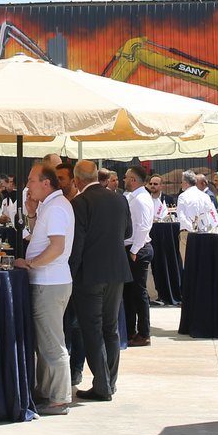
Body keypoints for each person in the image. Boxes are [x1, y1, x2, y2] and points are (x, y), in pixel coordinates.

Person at [66, 159, 131, 401]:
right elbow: (128, 232)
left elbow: (77, 242)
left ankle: (102, 385)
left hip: (89, 274)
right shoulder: (118, 198)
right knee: (110, 328)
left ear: (77, 180)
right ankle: (109, 382)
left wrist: (69, 274)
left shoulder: (80, 202)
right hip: (116, 270)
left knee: (91, 329)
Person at [15, 162, 74, 416]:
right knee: (46, 342)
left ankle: (59, 398)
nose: (28, 185)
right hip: (47, 280)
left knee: (51, 343)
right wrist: (31, 214)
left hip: (49, 281)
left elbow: (57, 247)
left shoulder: (57, 208)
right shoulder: (50, 207)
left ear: (46, 183)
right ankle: (48, 393)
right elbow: (39, 238)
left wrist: (30, 264)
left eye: (31, 180)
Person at [121, 165, 154, 345]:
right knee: (130, 293)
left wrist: (134, 251)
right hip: (134, 247)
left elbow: (143, 227)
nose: (124, 180)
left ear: (133, 180)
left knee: (138, 293)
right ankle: (132, 330)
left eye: (126, 177)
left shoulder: (140, 199)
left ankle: (143, 333)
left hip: (137, 249)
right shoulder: (136, 197)